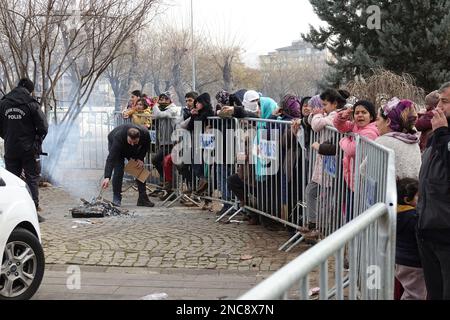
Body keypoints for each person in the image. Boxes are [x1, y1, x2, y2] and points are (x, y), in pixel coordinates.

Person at [416, 81, 450, 300]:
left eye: (445, 101)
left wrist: (443, 135)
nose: (438, 107)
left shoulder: (440, 135)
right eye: (438, 101)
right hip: (428, 230)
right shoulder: (436, 135)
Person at [301, 89, 349, 237]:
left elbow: (316, 125)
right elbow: (310, 121)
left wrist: (317, 114)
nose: (322, 108)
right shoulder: (327, 114)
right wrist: (316, 114)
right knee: (311, 191)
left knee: (328, 199)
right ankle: (314, 224)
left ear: (334, 104)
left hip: (332, 165)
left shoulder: (336, 115)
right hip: (324, 165)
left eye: (325, 104)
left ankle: (322, 228)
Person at [0, 78, 48, 222]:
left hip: (10, 149)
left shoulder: (3, 103)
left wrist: (8, 137)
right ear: (30, 89)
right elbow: (43, 127)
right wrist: (36, 142)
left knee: (12, 181)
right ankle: (33, 212)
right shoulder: (31, 103)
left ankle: (11, 212)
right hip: (29, 150)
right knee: (32, 178)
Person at [333, 100, 379, 220]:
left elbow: (351, 150)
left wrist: (343, 140)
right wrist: (342, 117)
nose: (360, 115)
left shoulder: (371, 132)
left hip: (363, 182)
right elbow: (339, 126)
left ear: (371, 116)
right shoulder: (355, 127)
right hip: (352, 180)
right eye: (357, 112)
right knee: (349, 214)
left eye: (364, 112)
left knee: (356, 217)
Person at [101, 124, 154, 207]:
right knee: (118, 169)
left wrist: (140, 158)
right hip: (116, 145)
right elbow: (111, 159)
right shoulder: (118, 138)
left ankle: (142, 198)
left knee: (138, 167)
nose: (132, 144)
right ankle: (117, 197)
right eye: (130, 142)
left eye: (135, 142)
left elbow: (146, 145)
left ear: (139, 138)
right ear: (127, 136)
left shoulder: (145, 134)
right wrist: (107, 177)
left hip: (130, 148)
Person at [395, 178, 427, 300]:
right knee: (415, 295)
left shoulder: (397, 214)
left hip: (401, 261)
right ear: (407, 200)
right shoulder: (413, 217)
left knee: (411, 291)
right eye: (418, 197)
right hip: (414, 263)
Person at [375, 98, 421, 180]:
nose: (375, 124)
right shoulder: (414, 141)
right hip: (411, 191)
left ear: (388, 121)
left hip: (389, 191)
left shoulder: (382, 141)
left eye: (378, 119)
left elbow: (364, 170)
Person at [151, 91, 179, 188]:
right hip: (163, 142)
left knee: (156, 160)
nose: (163, 100)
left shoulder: (173, 109)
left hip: (171, 142)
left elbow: (159, 115)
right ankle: (167, 185)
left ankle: (168, 183)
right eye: (161, 98)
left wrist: (154, 105)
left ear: (170, 100)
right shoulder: (161, 109)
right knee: (166, 164)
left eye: (166, 98)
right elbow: (155, 116)